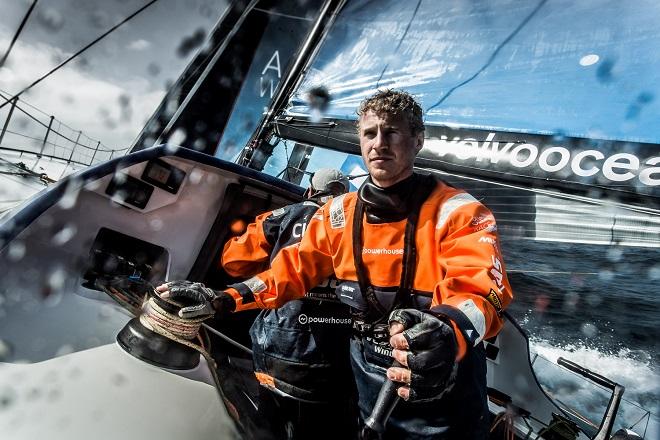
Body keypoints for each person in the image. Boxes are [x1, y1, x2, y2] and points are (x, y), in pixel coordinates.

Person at [158, 89, 513, 439]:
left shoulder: (460, 212)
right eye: (370, 133)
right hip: (367, 378)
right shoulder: (338, 214)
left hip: (443, 386)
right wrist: (223, 299)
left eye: (392, 132)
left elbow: (485, 289)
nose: (379, 143)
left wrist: (449, 333)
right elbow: (289, 272)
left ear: (417, 140)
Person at [221, 168, 355, 439]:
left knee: (266, 425)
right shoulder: (361, 226)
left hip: (278, 346)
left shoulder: (282, 217)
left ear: (309, 191)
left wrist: (271, 261)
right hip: (335, 357)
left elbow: (233, 262)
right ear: (346, 195)